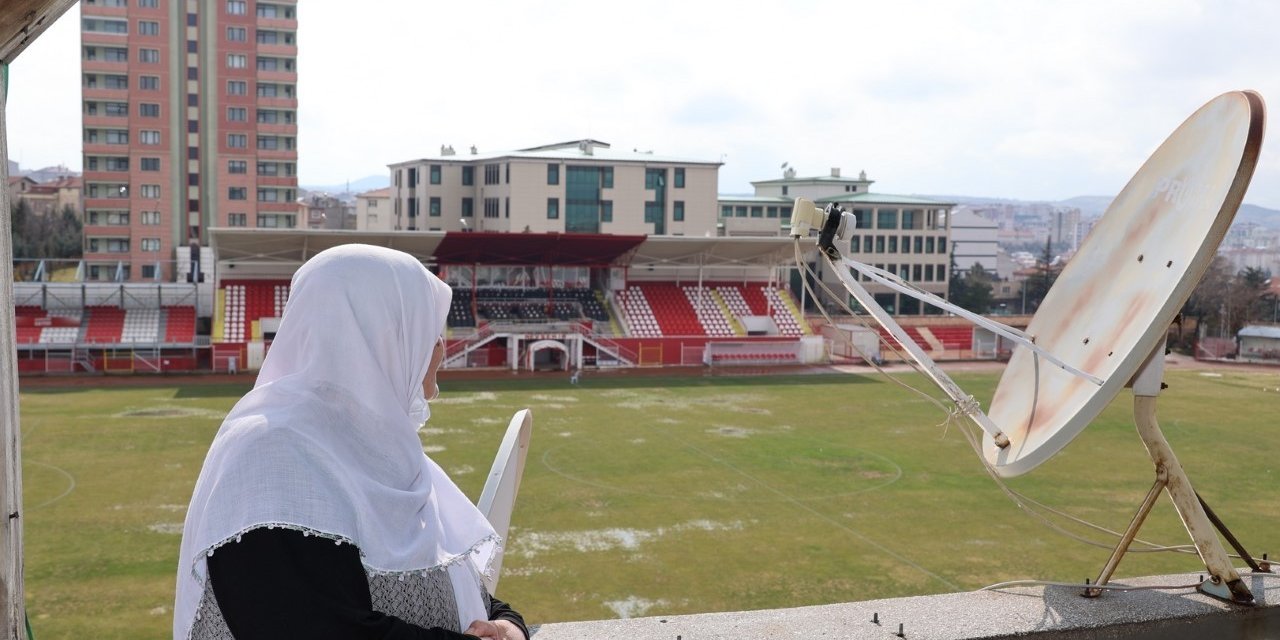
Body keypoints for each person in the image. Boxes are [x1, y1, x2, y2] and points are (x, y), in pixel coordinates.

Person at [174, 244, 528, 640]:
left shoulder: (386, 456)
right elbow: (310, 627)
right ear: (385, 336)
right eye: (430, 331)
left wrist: (508, 626)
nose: (440, 350)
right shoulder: (271, 458)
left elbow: (459, 580)